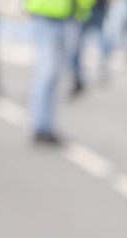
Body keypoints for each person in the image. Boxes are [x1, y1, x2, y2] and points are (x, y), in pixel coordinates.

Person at [26, 0, 91, 145]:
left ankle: (47, 126)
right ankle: (40, 126)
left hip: (64, 15)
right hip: (48, 15)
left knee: (53, 75)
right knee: (47, 73)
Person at [68, 0, 111, 96]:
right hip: (81, 9)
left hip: (93, 8)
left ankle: (78, 78)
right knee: (76, 44)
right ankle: (77, 78)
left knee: (77, 43)